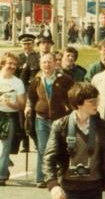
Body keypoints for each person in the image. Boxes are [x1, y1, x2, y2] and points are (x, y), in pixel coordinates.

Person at [43, 82, 105, 199]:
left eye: (97, 100)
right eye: (91, 101)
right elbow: (49, 157)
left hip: (94, 188)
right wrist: (53, 185)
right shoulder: (60, 125)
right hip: (67, 188)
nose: (96, 104)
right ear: (78, 104)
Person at [26, 53, 74, 188]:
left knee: (60, 148)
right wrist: (29, 107)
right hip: (41, 118)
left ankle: (61, 176)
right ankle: (41, 178)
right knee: (42, 148)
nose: (47, 65)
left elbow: (73, 95)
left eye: (49, 62)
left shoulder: (65, 79)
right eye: (44, 62)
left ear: (55, 63)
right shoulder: (37, 79)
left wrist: (71, 111)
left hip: (60, 119)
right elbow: (30, 96)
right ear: (41, 65)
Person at [0, 53, 26, 185]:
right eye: (9, 63)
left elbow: (22, 104)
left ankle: (1, 175)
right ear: (2, 64)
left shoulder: (18, 82)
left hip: (9, 116)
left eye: (14, 64)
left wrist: (12, 105)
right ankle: (4, 164)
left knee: (5, 147)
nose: (12, 66)